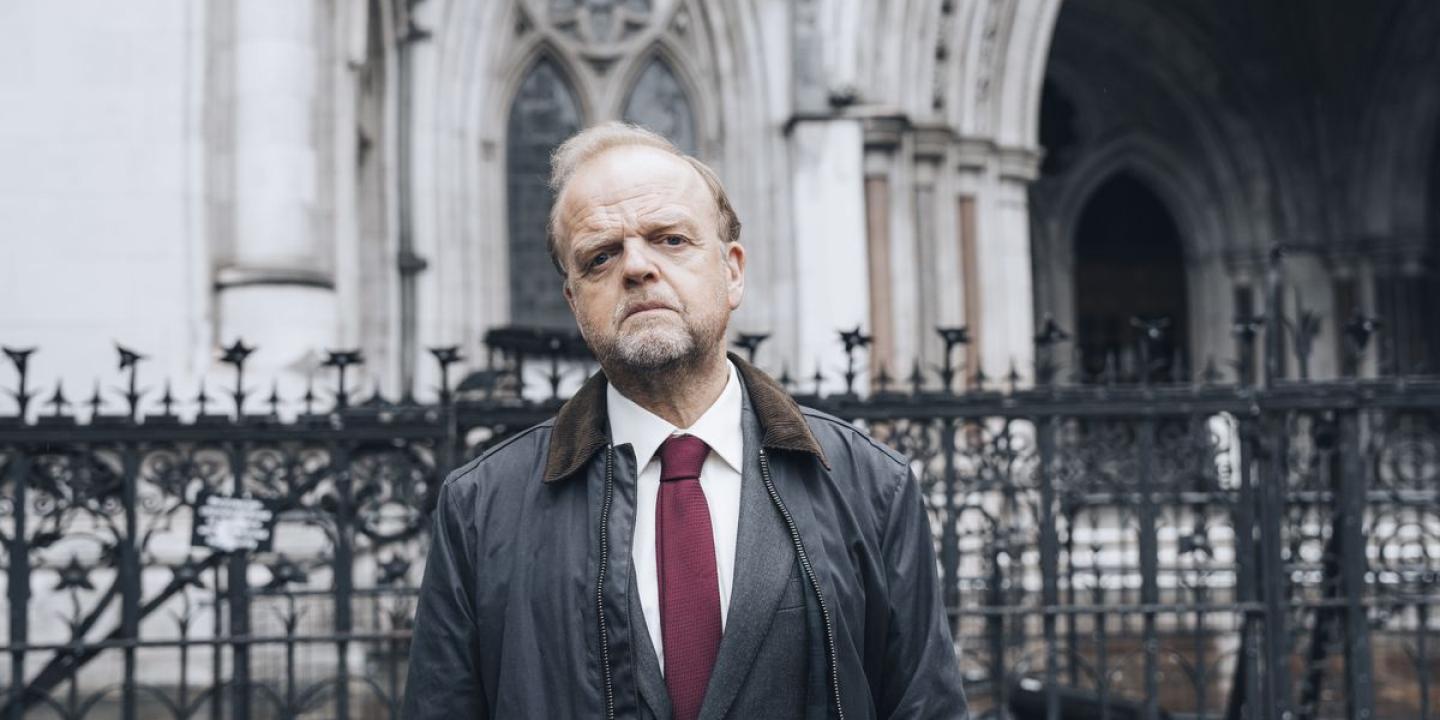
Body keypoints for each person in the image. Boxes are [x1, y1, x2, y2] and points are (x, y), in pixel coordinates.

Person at [402, 122, 967, 719]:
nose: (637, 267)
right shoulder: (481, 508)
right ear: (574, 302)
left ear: (732, 272)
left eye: (669, 239)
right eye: (601, 256)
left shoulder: (871, 486)